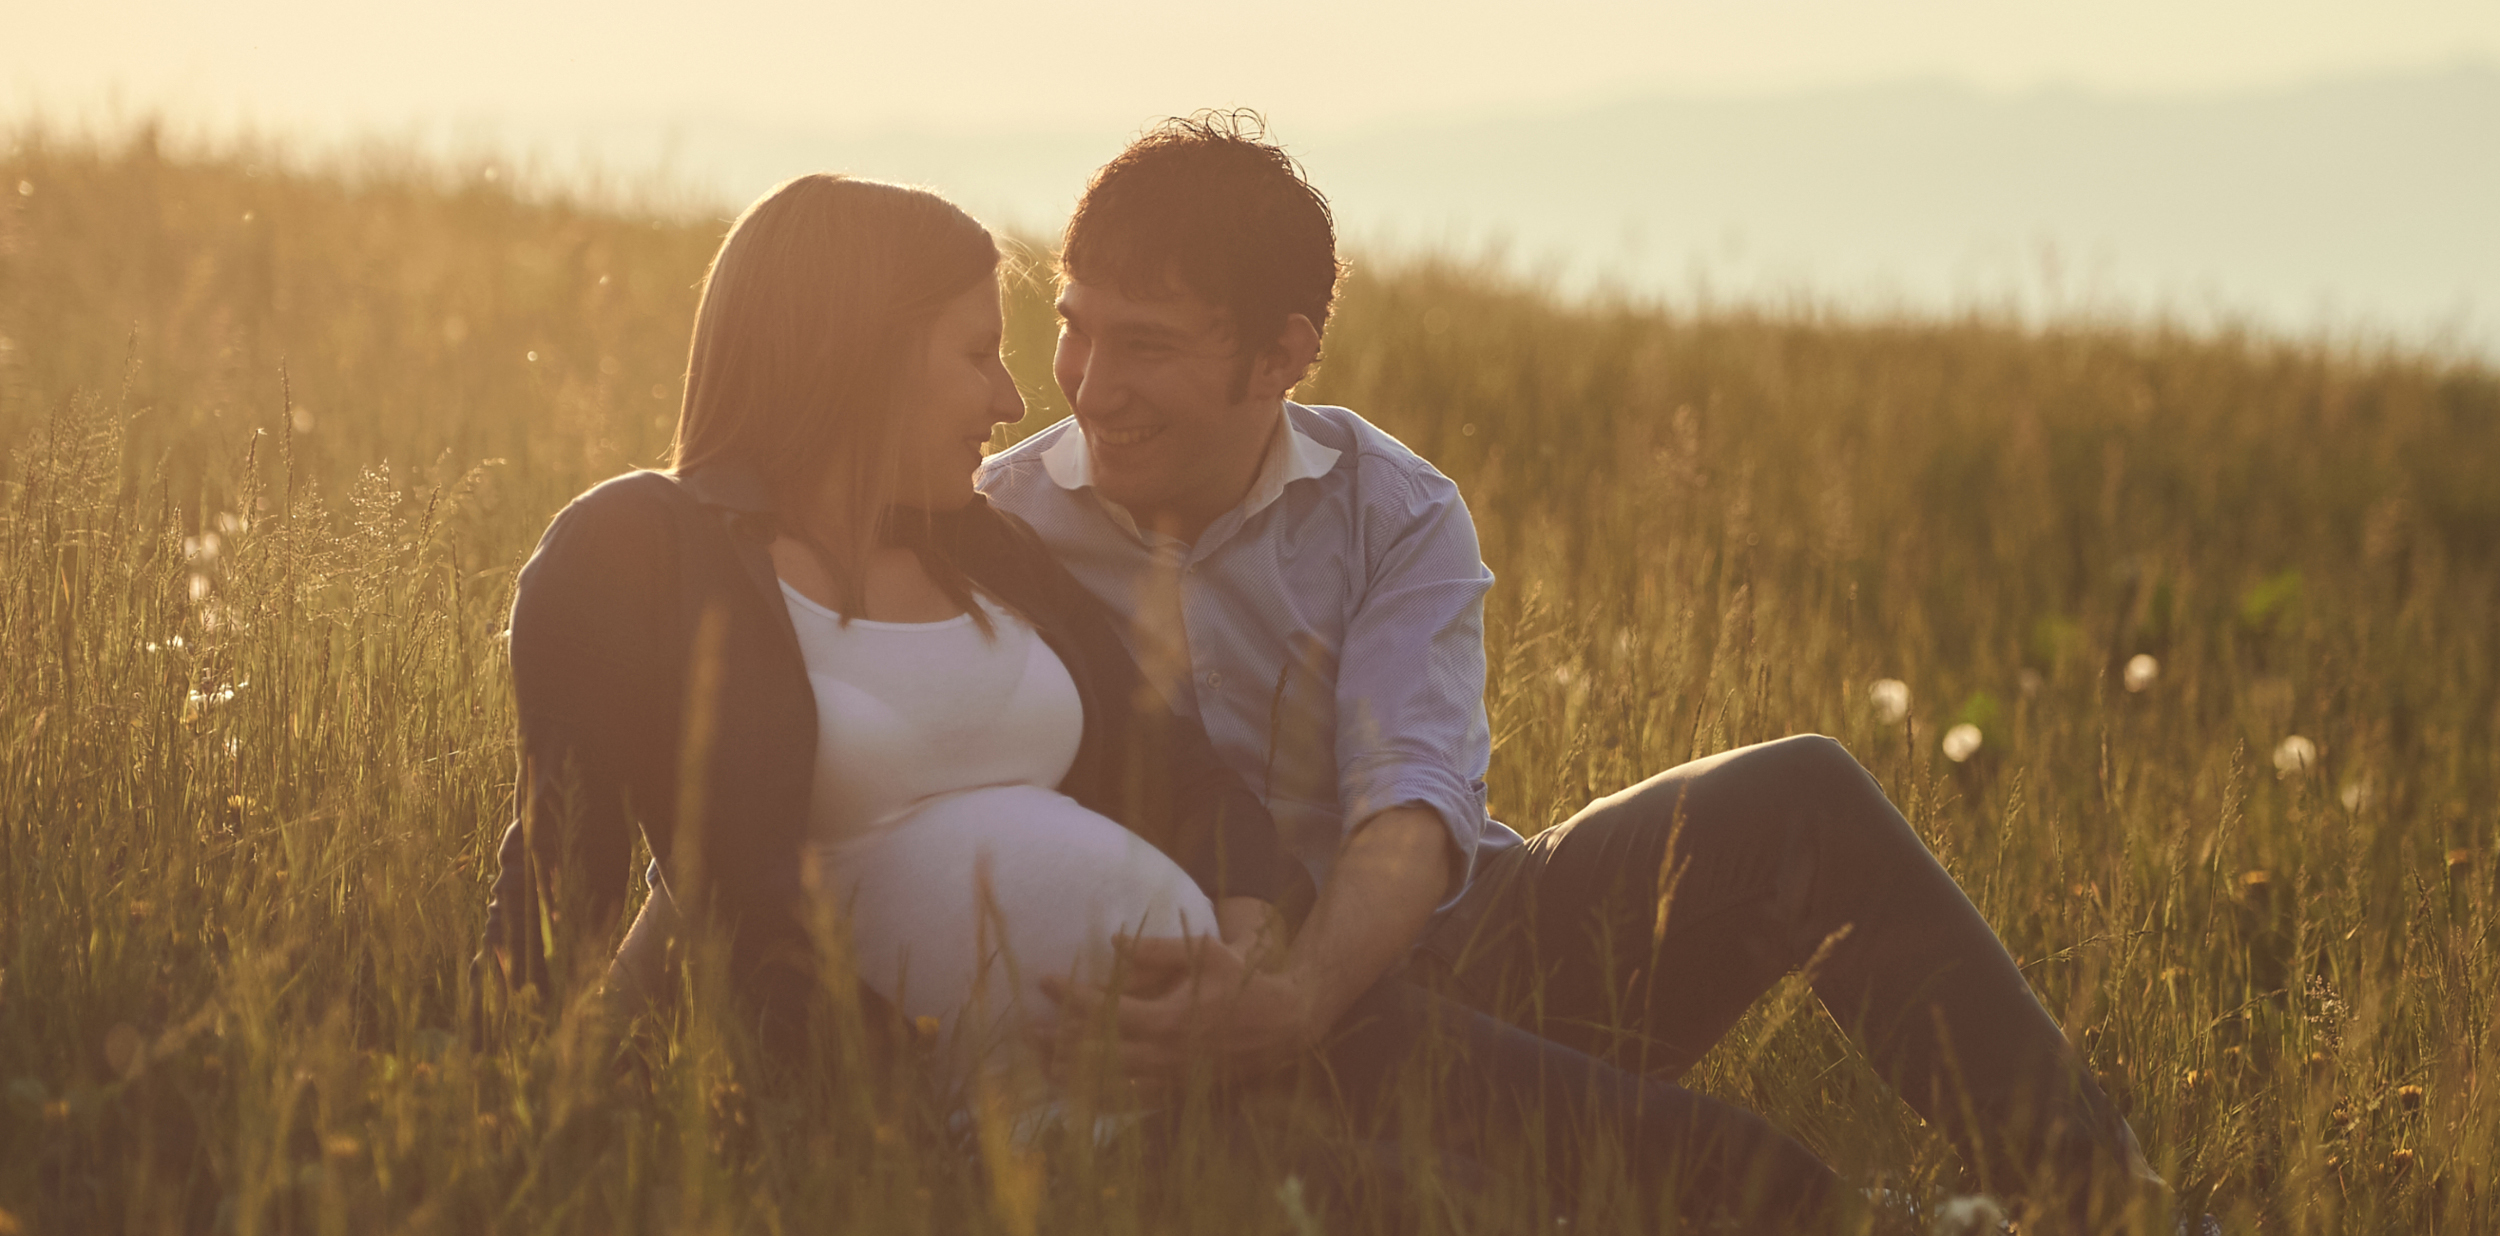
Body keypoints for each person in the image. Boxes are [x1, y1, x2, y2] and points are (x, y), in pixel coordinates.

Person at [976, 111, 2167, 1230]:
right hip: (1217, 1009)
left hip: (1468, 952)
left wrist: (1297, 999)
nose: (1090, 384)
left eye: (1146, 345)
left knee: (1799, 792)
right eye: (1076, 326)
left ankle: (2111, 1211)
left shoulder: (1388, 509)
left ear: (1282, 353)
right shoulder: (1003, 527)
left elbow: (1412, 803)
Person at [473, 174, 1310, 1095]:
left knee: (1485, 1112)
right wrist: (499, 1109)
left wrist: (1241, 978)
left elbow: (1188, 779)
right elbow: (559, 888)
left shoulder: (984, 548)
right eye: (979, 354)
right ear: (862, 354)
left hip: (1210, 1090)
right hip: (911, 1140)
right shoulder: (643, 549)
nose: (1012, 401)